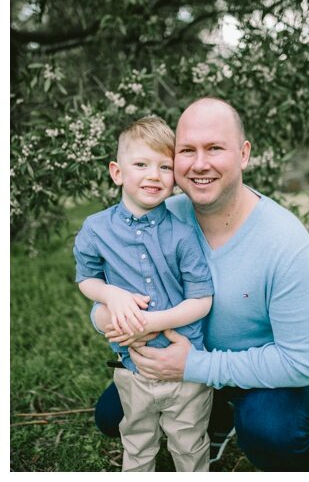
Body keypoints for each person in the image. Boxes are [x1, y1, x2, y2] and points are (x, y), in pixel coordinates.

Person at [90, 97, 309, 471]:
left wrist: (194, 366)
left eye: (214, 148)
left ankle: (265, 428)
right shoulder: (160, 218)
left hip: (261, 372)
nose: (200, 164)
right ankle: (216, 414)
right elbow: (109, 294)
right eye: (187, 150)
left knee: (273, 434)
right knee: (110, 417)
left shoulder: (285, 241)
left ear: (243, 154)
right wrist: (106, 314)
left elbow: (301, 362)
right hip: (184, 359)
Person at [75, 115, 216, 471]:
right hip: (132, 366)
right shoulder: (96, 229)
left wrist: (153, 322)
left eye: (164, 167)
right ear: (117, 172)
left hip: (185, 367)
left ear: (175, 178)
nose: (154, 175)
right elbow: (86, 279)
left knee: (189, 444)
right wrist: (111, 295)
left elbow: (202, 300)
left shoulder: (183, 234)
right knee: (137, 443)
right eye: (141, 164)